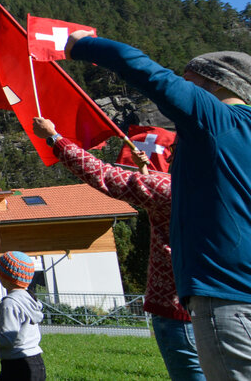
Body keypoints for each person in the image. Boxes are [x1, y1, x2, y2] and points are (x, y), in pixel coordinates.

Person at [66, 31, 251, 379]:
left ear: (214, 85)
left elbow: (147, 72)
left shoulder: (216, 119)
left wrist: (81, 45)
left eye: (189, 80)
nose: (182, 86)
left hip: (231, 299)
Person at [33, 117, 203, 380]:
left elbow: (103, 174)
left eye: (173, 153)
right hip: (216, 311)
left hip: (177, 314)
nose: (168, 159)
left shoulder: (171, 189)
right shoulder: (228, 189)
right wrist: (145, 172)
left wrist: (54, 138)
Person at [0, 251, 46, 381]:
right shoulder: (29, 298)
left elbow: (8, 339)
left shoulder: (9, 303)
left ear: (3, 277)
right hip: (36, 362)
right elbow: (16, 328)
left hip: (17, 365)